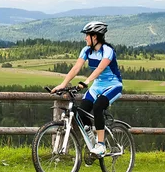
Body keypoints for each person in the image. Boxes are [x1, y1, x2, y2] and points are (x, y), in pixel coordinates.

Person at [51, 21, 123, 156]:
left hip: (113, 85)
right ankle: (92, 140)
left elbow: (100, 69)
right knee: (82, 112)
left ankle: (101, 145)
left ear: (94, 36)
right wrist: (63, 84)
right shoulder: (86, 51)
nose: (85, 38)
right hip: (98, 86)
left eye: (87, 35)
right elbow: (76, 68)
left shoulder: (107, 51)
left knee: (98, 107)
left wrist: (86, 81)